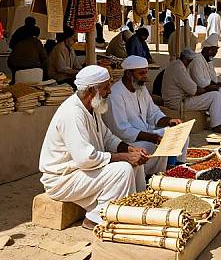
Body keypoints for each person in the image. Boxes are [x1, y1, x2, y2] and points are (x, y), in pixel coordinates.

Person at [39, 65, 149, 229]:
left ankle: (136, 205)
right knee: (122, 170)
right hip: (62, 179)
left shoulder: (92, 107)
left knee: (135, 163)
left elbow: (107, 138)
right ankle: (96, 217)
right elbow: (86, 158)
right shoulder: (72, 113)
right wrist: (123, 157)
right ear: (92, 91)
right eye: (106, 88)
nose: (110, 92)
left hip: (80, 172)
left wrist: (129, 149)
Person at [104, 56, 186, 175]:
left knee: (180, 134)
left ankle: (177, 168)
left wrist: (169, 121)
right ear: (128, 74)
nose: (145, 77)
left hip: (147, 132)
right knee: (153, 146)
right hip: (127, 142)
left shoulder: (141, 88)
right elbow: (121, 130)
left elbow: (153, 113)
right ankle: (153, 175)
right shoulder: (115, 94)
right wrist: (152, 138)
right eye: (141, 73)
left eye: (146, 73)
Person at [163, 48, 221, 133]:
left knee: (215, 93)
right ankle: (217, 125)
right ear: (186, 59)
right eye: (190, 61)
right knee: (215, 96)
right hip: (178, 103)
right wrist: (208, 89)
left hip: (176, 99)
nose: (191, 63)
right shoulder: (179, 68)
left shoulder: (175, 64)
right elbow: (194, 90)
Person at [187, 34, 221, 131]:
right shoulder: (197, 60)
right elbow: (201, 83)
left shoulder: (207, 60)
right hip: (197, 91)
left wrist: (219, 84)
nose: (215, 53)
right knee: (218, 93)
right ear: (208, 49)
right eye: (214, 50)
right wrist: (216, 86)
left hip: (205, 87)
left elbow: (213, 78)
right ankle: (218, 124)